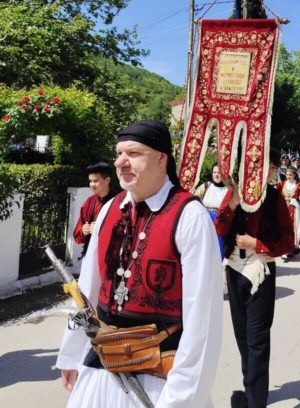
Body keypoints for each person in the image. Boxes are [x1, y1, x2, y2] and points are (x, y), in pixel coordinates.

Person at [56, 119, 223, 407]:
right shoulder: (110, 209)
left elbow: (202, 319)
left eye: (133, 153)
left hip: (160, 377)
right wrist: (71, 353)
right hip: (101, 369)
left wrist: (181, 399)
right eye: (119, 153)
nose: (120, 162)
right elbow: (87, 291)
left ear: (161, 158)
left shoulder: (190, 216)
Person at [215, 148, 295, 408]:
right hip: (234, 268)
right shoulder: (233, 193)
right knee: (241, 334)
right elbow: (218, 228)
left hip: (261, 269)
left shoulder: (274, 197)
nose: (265, 171)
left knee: (257, 337)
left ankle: (255, 399)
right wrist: (233, 203)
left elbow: (288, 241)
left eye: (270, 167)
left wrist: (257, 244)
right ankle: (251, 386)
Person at [73, 162, 115, 259]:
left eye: (95, 181)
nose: (92, 185)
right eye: (90, 181)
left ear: (107, 180)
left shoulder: (118, 202)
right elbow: (77, 236)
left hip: (111, 256)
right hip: (90, 255)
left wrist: (102, 229)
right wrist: (83, 230)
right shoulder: (89, 203)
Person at [195, 163, 229, 259]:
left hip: (220, 222)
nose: (216, 175)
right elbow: (195, 198)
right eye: (214, 172)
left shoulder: (228, 189)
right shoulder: (206, 186)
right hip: (205, 221)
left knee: (218, 248)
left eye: (219, 172)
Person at [275, 165, 300, 262]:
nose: (288, 176)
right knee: (282, 228)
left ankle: (290, 249)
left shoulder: (299, 186)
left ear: (294, 175)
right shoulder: (282, 184)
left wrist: (296, 200)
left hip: (294, 209)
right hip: (283, 209)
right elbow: (274, 191)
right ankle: (283, 250)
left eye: (290, 175)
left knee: (292, 228)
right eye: (287, 175)